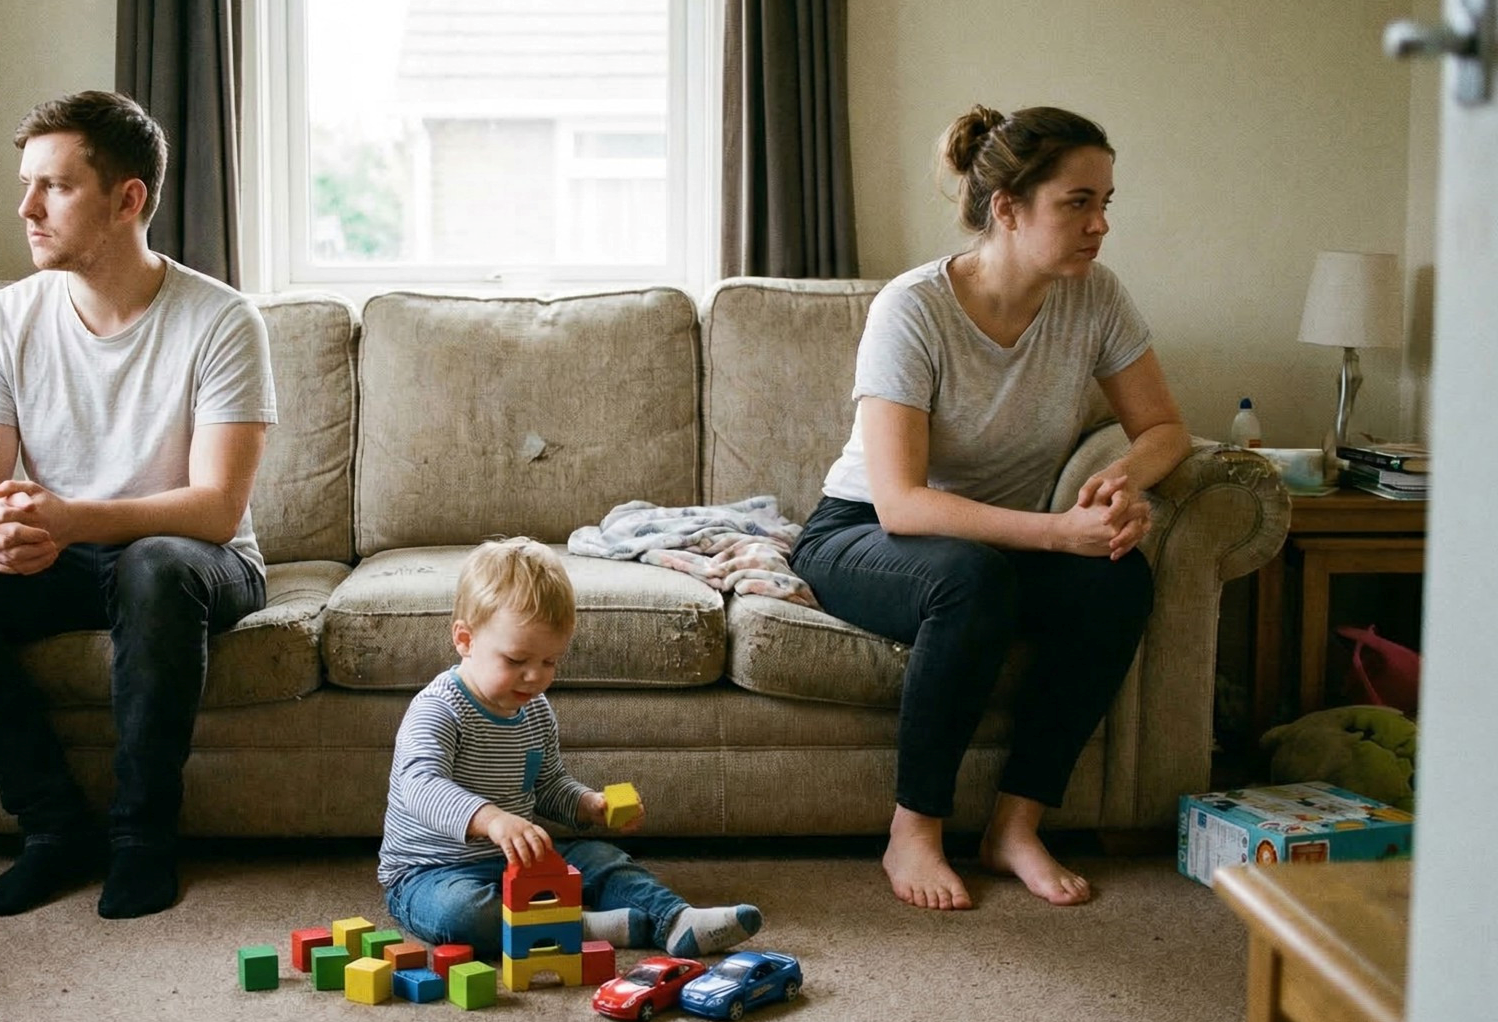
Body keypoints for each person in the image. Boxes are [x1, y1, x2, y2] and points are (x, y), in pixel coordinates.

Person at [789, 105, 1191, 911]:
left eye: (1106, 202)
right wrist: (1059, 533)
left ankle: (1015, 826)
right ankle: (914, 831)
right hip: (861, 533)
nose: (1101, 224)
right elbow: (902, 504)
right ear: (1007, 208)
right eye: (1078, 203)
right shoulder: (914, 307)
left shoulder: (1096, 298)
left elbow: (1164, 430)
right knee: (969, 580)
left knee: (1119, 579)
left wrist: (1122, 482)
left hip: (997, 550)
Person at [0, 91, 275, 920]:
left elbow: (215, 509)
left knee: (155, 566)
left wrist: (68, 519)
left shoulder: (221, 320)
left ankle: (142, 839)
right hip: (64, 559)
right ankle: (53, 830)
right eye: (26, 185)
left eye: (56, 187)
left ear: (127, 199)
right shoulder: (5, 318)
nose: (26, 208)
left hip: (199, 565)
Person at [378, 538, 762, 957]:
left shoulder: (535, 711)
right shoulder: (439, 709)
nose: (535, 677)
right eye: (516, 660)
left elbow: (546, 786)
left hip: (518, 859)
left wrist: (587, 805)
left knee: (601, 858)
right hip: (430, 872)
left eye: (549, 662)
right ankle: (583, 927)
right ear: (465, 639)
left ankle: (675, 919)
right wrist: (493, 820)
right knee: (461, 915)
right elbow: (419, 785)